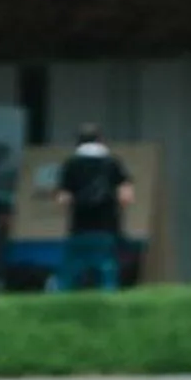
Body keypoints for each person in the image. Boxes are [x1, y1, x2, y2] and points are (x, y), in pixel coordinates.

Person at [50, 124, 132, 292]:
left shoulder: (71, 164)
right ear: (101, 140)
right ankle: (110, 305)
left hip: (79, 226)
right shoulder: (113, 163)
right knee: (107, 271)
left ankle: (60, 306)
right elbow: (126, 196)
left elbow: (63, 198)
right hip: (107, 226)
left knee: (70, 273)